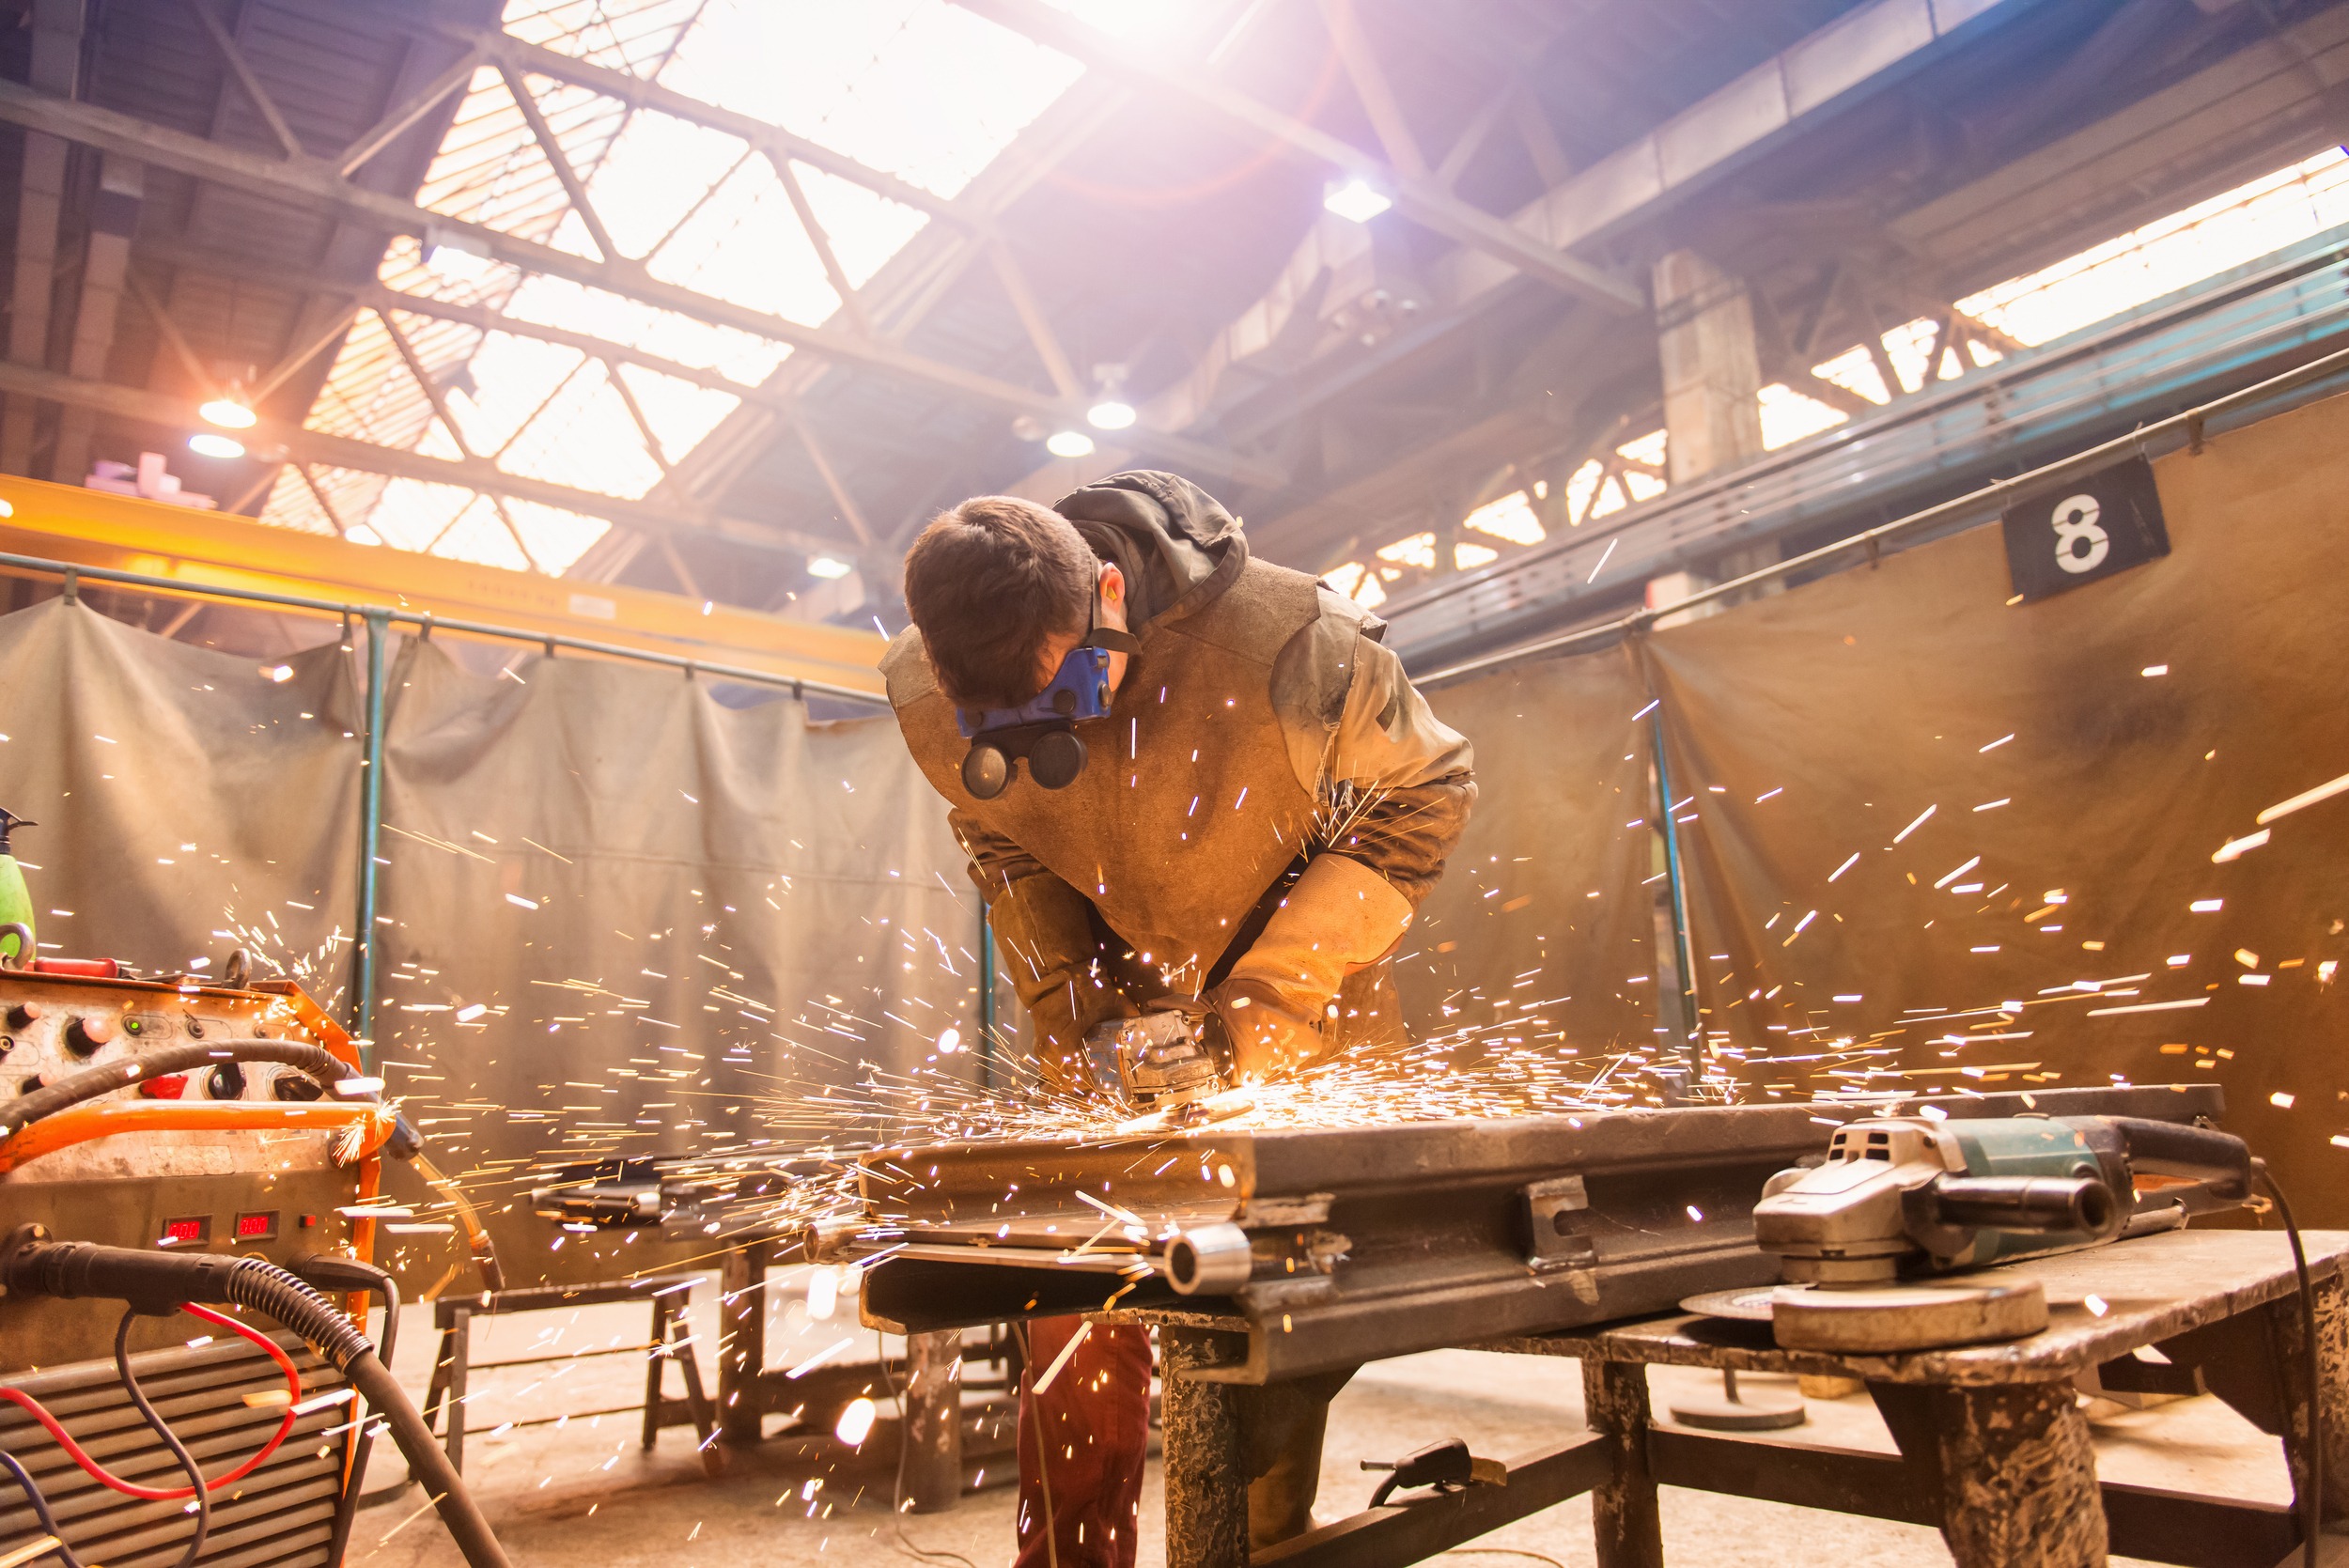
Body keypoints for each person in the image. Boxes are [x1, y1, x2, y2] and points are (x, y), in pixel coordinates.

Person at [882, 470, 1474, 1565]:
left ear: (1107, 589)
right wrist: (1077, 1018)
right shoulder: (927, 685)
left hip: (1295, 1015)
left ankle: (1244, 1547)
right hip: (1118, 1038)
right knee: (1071, 1319)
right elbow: (1007, 842)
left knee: (1259, 1366)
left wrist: (1266, 1004)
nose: (1067, 731)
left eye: (1069, 690)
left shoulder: (1297, 645)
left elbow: (1425, 794)